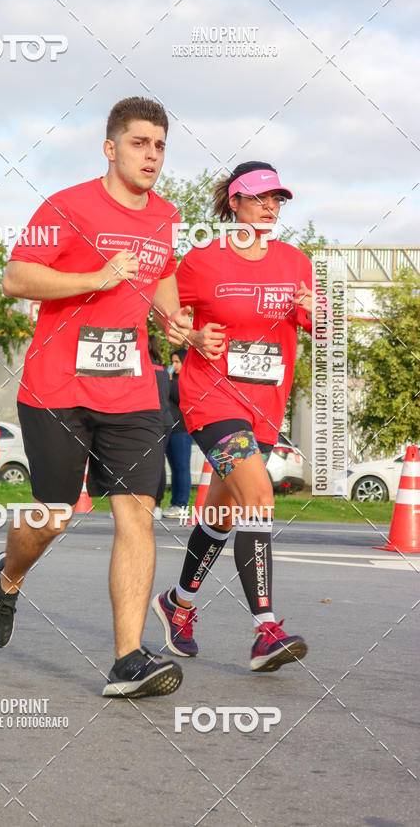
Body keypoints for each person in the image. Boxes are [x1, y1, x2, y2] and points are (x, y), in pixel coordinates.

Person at [0, 97, 191, 698]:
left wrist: (174, 320)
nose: (151, 155)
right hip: (57, 389)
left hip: (132, 389)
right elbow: (16, 277)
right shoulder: (66, 206)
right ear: (110, 147)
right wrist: (95, 278)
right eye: (139, 143)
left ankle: (128, 660)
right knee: (53, 515)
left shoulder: (165, 216)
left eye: (159, 146)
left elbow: (162, 274)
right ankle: (10, 576)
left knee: (137, 512)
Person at [152, 160, 317, 672]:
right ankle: (266, 630)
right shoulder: (203, 261)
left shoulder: (295, 262)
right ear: (235, 202)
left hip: (265, 405)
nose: (270, 207)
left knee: (223, 514)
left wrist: (319, 312)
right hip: (212, 398)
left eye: (277, 199)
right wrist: (191, 334)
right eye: (260, 197)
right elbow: (163, 312)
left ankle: (178, 603)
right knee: (259, 496)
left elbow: (319, 326)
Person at [162, 348, 193, 518]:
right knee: (174, 467)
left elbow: (181, 397)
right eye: (172, 362)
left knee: (182, 467)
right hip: (169, 428)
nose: (173, 365)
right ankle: (175, 502)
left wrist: (168, 382)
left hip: (182, 430)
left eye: (177, 362)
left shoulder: (185, 380)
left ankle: (182, 504)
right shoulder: (172, 379)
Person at [148, 333, 173, 519]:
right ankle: (156, 504)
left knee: (136, 464)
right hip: (165, 420)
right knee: (159, 462)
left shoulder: (142, 369)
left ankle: (143, 504)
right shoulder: (163, 369)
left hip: (149, 420)